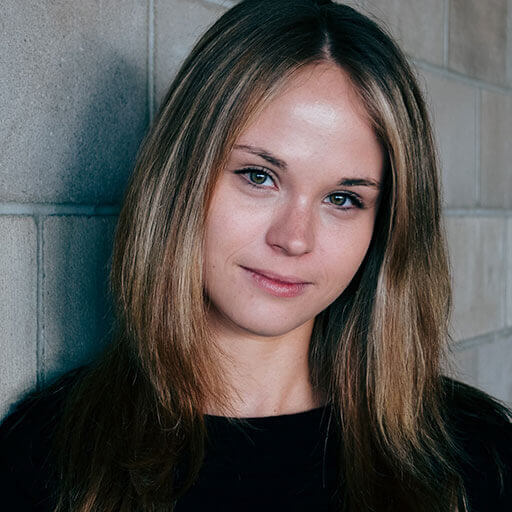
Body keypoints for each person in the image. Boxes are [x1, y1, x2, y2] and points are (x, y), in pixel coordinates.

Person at [1, 0, 511, 511]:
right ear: (182, 177)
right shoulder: (48, 457)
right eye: (258, 176)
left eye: (342, 199)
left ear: (385, 226)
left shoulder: (475, 459)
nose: (294, 239)